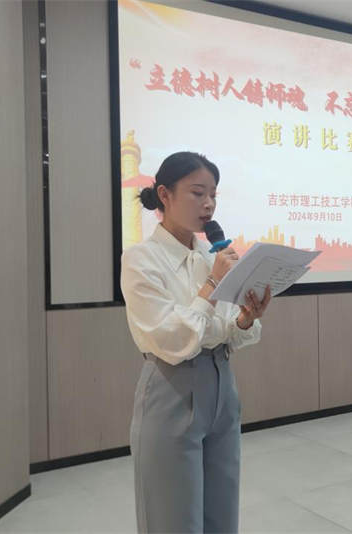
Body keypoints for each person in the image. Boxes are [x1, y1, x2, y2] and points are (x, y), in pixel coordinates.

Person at [120, 151, 272, 533]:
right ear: (165, 195)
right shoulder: (141, 259)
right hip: (171, 386)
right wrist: (213, 284)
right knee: (172, 518)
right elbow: (169, 335)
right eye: (197, 193)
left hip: (222, 386)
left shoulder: (210, 254)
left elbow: (223, 328)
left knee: (222, 513)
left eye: (213, 195)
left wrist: (245, 317)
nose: (208, 204)